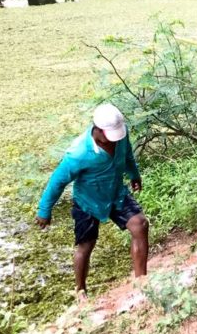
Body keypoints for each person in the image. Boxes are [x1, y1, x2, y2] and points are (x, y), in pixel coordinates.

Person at [36, 103, 149, 298]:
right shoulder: (78, 154)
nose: (113, 142)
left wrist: (134, 174)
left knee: (140, 225)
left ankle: (142, 283)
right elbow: (57, 181)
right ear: (96, 129)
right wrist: (44, 210)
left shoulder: (120, 137)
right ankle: (80, 290)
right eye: (108, 137)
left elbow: (127, 154)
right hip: (87, 201)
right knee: (86, 245)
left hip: (116, 194)